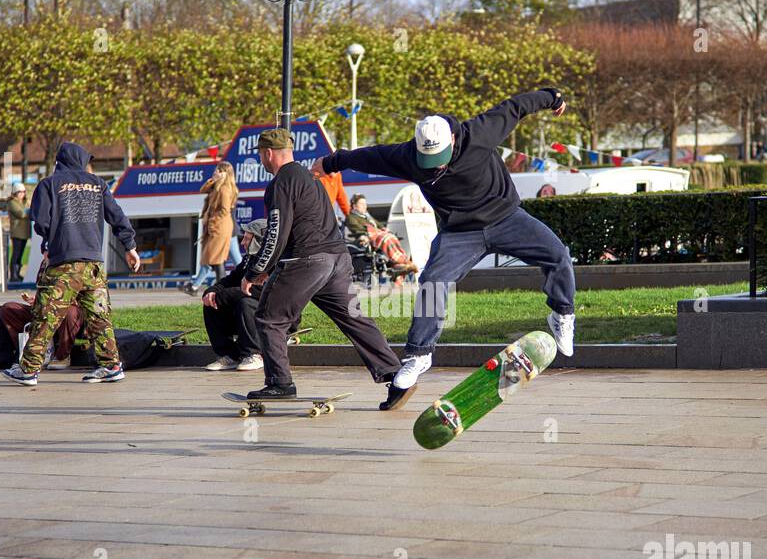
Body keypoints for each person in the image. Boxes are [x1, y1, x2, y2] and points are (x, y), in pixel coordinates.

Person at [312, 88, 576, 395]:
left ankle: (562, 313)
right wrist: (329, 163)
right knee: (433, 281)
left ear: (452, 139)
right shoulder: (408, 157)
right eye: (429, 160)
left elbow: (516, 106)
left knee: (557, 254)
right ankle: (418, 355)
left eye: (439, 158)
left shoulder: (480, 133)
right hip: (460, 233)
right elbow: (369, 156)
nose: (435, 165)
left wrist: (553, 98)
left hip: (506, 218)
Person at [242, 128, 408, 409]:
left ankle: (279, 383)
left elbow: (277, 232)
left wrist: (254, 270)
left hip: (307, 261)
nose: (261, 159)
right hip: (337, 259)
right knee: (354, 320)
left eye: (260, 154)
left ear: (268, 153)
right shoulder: (312, 180)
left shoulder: (282, 181)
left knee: (270, 318)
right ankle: (396, 376)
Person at [2, 142, 141, 386]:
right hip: (93, 264)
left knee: (46, 316)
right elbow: (117, 216)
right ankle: (111, 365)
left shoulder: (49, 184)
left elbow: (41, 222)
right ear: (81, 160)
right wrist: (130, 247)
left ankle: (28, 369)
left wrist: (48, 245)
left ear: (60, 160)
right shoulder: (98, 184)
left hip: (64, 264)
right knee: (100, 317)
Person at [201, 219, 268, 372]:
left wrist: (222, 296)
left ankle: (254, 355)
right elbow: (228, 280)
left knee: (245, 303)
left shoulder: (273, 262)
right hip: (249, 315)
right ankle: (229, 355)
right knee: (211, 305)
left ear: (259, 240)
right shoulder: (248, 259)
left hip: (274, 314)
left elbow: (259, 291)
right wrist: (211, 292)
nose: (242, 242)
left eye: (247, 238)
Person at [186, 161, 238, 295]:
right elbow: (202, 190)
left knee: (215, 258)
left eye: (219, 171)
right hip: (217, 227)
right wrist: (212, 180)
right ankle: (218, 286)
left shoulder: (224, 189)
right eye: (216, 170)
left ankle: (220, 287)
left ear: (226, 174)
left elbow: (224, 210)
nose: (216, 172)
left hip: (220, 227)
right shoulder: (216, 186)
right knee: (214, 258)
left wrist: (211, 219)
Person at [345, 194, 417, 276]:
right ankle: (403, 262)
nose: (365, 206)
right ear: (354, 206)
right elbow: (357, 230)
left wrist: (384, 230)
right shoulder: (351, 217)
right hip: (365, 239)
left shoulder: (367, 217)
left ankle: (400, 264)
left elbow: (379, 226)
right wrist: (372, 233)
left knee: (391, 237)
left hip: (376, 237)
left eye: (365, 204)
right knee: (386, 239)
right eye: (361, 204)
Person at [6, 184, 30, 282]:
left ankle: (18, 274)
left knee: (20, 255)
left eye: (23, 192)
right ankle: (13, 276)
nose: (22, 194)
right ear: (15, 192)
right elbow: (21, 214)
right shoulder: (12, 202)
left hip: (24, 232)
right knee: (16, 254)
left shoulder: (24, 202)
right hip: (17, 232)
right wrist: (31, 210)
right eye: (20, 192)